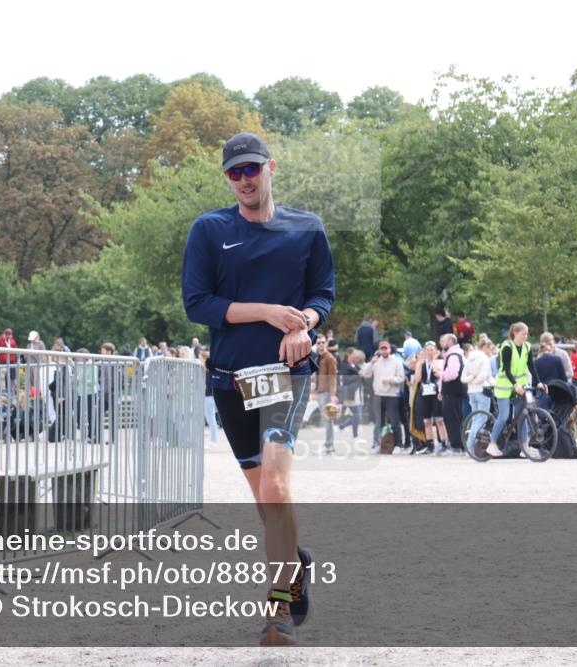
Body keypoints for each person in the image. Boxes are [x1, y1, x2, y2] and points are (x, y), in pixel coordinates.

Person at [181, 132, 333, 646]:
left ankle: (279, 612)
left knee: (275, 487)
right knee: (266, 502)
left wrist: (304, 323)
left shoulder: (307, 229)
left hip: (286, 375)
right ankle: (295, 563)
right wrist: (269, 311)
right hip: (228, 379)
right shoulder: (209, 229)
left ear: (271, 168)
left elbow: (322, 294)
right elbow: (198, 304)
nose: (244, 179)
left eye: (252, 169)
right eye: (234, 173)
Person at [489, 323, 545, 458]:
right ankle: (492, 444)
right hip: (505, 385)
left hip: (520, 386)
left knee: (522, 416)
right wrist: (515, 385)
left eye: (527, 334)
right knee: (504, 415)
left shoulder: (527, 346)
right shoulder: (507, 347)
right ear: (515, 333)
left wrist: (539, 382)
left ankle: (524, 447)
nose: (525, 337)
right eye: (523, 334)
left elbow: (531, 366)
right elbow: (506, 369)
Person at [360, 340, 406, 453]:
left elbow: (401, 378)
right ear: (379, 350)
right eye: (382, 349)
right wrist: (371, 363)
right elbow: (364, 374)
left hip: (392, 395)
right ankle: (379, 444)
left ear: (389, 349)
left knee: (394, 420)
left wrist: (390, 380)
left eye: (386, 348)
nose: (384, 351)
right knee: (379, 422)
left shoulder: (396, 362)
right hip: (378, 395)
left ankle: (398, 445)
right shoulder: (376, 362)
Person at [412, 342, 447, 454]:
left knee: (439, 420)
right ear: (425, 351)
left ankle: (444, 443)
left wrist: (437, 369)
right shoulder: (421, 363)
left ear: (435, 351)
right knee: (427, 421)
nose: (429, 352)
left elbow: (441, 376)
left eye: (432, 350)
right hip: (424, 393)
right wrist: (418, 365)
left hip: (436, 393)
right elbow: (417, 379)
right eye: (427, 350)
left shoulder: (440, 362)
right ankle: (430, 445)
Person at [462, 337, 495, 454]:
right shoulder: (485, 358)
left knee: (475, 419)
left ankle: (469, 447)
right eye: (489, 349)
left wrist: (471, 379)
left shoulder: (469, 359)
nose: (490, 352)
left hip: (471, 392)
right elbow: (484, 376)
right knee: (481, 420)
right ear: (485, 347)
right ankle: (470, 448)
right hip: (483, 390)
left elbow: (463, 378)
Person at [437, 334, 467, 454]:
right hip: (453, 392)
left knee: (452, 419)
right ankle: (458, 444)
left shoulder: (453, 356)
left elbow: (453, 374)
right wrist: (441, 390)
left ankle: (456, 446)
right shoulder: (455, 355)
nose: (441, 342)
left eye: (443, 340)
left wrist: (441, 373)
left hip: (453, 392)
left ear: (450, 342)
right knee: (456, 418)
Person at [314, 334, 338, 454]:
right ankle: (328, 445)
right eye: (318, 343)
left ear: (326, 344)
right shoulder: (319, 357)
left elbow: (333, 377)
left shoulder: (329, 358)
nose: (321, 344)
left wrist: (333, 395)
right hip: (320, 391)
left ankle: (329, 446)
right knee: (326, 420)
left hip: (327, 392)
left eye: (323, 342)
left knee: (328, 420)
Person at [335, 349, 365, 438]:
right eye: (354, 355)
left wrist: (361, 376)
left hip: (358, 393)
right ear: (349, 354)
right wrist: (358, 376)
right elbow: (345, 380)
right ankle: (355, 436)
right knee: (357, 415)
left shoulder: (355, 365)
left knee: (357, 416)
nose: (356, 357)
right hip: (349, 393)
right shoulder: (344, 366)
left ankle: (340, 427)